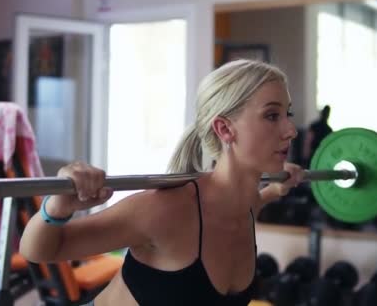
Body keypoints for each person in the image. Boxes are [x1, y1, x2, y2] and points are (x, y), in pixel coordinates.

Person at [20, 59, 304, 306]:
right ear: (225, 129)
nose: (290, 130)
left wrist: (279, 187)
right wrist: (57, 208)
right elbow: (40, 250)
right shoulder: (166, 211)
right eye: (271, 115)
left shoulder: (246, 205)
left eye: (287, 114)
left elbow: (261, 198)